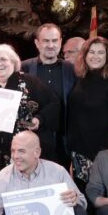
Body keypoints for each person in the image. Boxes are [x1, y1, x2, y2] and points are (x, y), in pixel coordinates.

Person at [0, 43, 56, 209]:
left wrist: (39, 119)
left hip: (22, 153)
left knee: (23, 202)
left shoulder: (30, 82)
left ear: (13, 62)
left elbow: (54, 104)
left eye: (3, 59)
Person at [66, 35, 108, 189]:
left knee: (102, 200)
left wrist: (102, 152)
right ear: (85, 55)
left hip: (103, 152)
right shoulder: (81, 79)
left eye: (100, 52)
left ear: (107, 56)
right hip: (79, 152)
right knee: (83, 199)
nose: (95, 56)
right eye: (91, 52)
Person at [21, 23, 78, 164]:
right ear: (37, 43)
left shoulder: (72, 70)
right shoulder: (24, 67)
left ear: (60, 42)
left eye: (54, 40)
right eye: (46, 41)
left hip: (63, 140)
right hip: (32, 138)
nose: (50, 45)